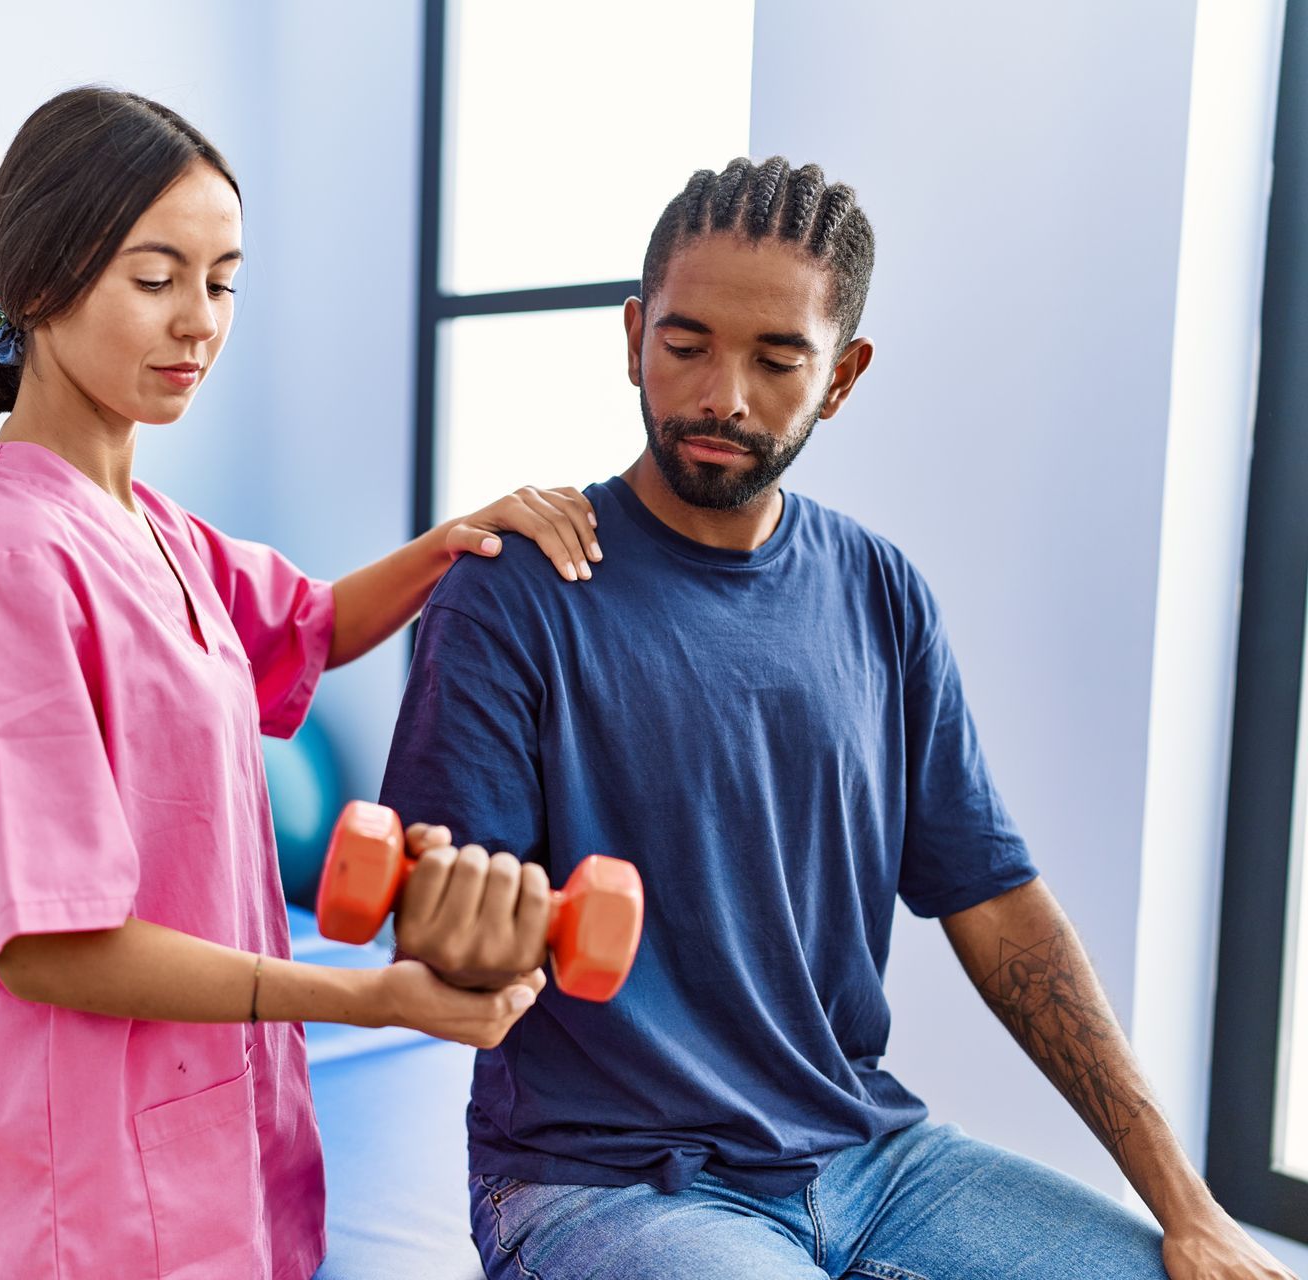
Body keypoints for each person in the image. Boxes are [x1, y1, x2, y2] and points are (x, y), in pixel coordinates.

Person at [378, 156, 1296, 1280]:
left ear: (844, 376)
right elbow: (431, 913)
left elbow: (1003, 914)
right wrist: (457, 933)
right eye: (686, 344)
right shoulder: (513, 590)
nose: (724, 395)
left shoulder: (880, 593)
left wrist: (1188, 1202)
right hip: (605, 1181)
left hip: (870, 1153)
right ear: (632, 337)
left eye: (777, 359)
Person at [0, 86, 600, 1279]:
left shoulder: (148, 523)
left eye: (221, 283)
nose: (197, 323)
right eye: (155, 278)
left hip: (207, 1126)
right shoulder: (0, 562)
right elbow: (48, 947)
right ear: (43, 279)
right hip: (72, 1181)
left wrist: (462, 538)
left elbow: (307, 621)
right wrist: (363, 995)